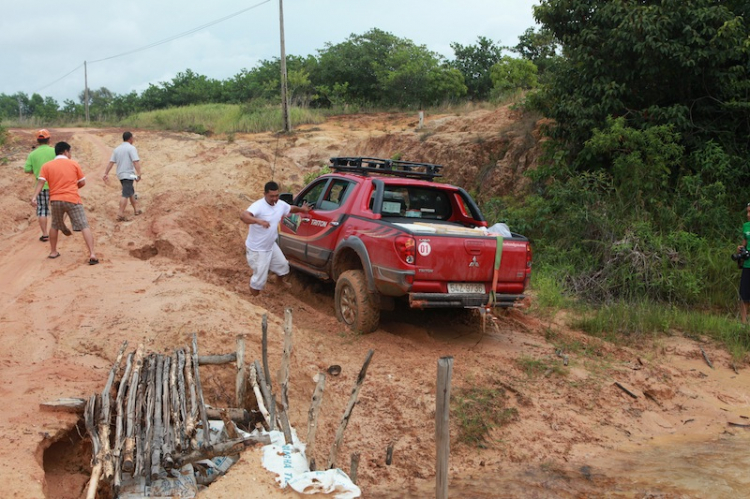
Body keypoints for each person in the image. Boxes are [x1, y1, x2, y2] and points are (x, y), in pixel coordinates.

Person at [30, 141, 98, 265]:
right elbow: (82, 182)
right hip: (73, 199)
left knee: (54, 225)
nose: (70, 154)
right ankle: (92, 253)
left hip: (55, 200)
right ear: (66, 152)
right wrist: (72, 188)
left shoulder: (47, 166)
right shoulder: (74, 164)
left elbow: (40, 182)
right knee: (84, 225)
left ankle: (53, 252)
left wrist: (34, 197)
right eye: (70, 151)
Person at [240, 181, 310, 295]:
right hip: (258, 249)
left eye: (276, 195)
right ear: (265, 194)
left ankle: (279, 282)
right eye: (271, 196)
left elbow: (290, 208)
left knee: (283, 265)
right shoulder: (258, 206)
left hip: (271, 245)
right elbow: (244, 216)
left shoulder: (280, 204)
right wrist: (258, 221)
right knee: (259, 281)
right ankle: (253, 299)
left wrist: (302, 210)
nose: (274, 199)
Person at [24, 129, 56, 241]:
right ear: (49, 139)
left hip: (40, 187)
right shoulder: (54, 151)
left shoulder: (32, 154)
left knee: (42, 210)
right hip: (55, 186)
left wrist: (36, 170)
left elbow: (27, 169)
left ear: (37, 140)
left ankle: (45, 234)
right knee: (57, 209)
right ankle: (56, 231)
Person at [102, 131, 141, 221]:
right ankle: (120, 214)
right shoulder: (131, 148)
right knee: (125, 194)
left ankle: (136, 210)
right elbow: (135, 161)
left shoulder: (117, 149)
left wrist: (106, 173)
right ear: (130, 138)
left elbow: (111, 162)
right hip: (128, 174)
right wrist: (139, 174)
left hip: (121, 174)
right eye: (133, 138)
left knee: (130, 192)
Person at [739, 203, 750, 323]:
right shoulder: (746, 226)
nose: (748, 215)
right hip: (747, 264)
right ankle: (743, 323)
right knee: (744, 295)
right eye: (747, 212)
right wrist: (741, 249)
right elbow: (744, 243)